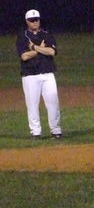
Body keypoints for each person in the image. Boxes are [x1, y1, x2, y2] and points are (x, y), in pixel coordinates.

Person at [16, 9, 62, 139]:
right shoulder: (22, 36)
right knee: (32, 105)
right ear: (26, 21)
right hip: (30, 75)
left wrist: (34, 48)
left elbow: (52, 52)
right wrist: (41, 50)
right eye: (32, 20)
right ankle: (36, 132)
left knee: (53, 102)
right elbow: (24, 56)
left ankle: (56, 130)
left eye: (36, 19)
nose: (35, 22)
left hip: (48, 74)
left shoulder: (47, 34)